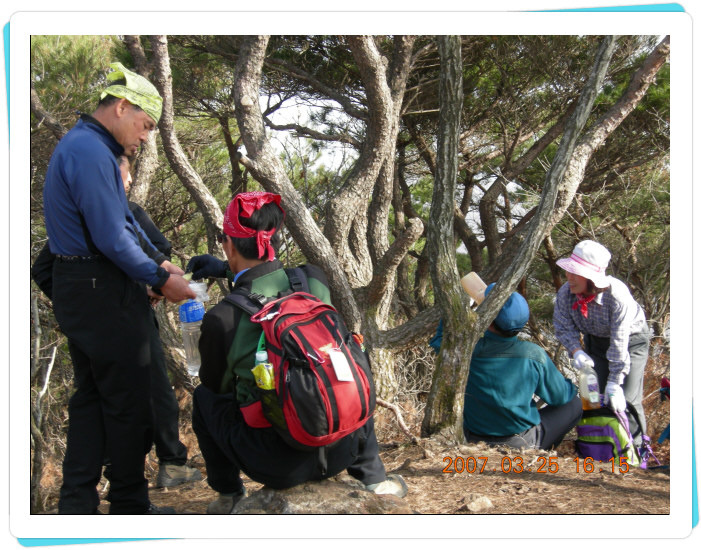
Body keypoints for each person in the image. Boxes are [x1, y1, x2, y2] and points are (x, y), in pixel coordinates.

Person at [186, 191, 408, 513]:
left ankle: (228, 495)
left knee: (204, 398)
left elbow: (216, 385)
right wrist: (225, 268)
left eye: (224, 238)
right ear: (272, 238)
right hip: (342, 449)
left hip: (279, 466)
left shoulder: (222, 319)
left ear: (229, 245)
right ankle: (374, 478)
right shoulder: (313, 279)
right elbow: (269, 277)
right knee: (342, 359)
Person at [42, 62, 195, 514]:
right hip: (101, 291)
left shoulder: (87, 145)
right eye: (145, 125)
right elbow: (110, 237)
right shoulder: (90, 151)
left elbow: (126, 220)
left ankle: (77, 505)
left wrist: (159, 259)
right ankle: (130, 504)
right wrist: (161, 279)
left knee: (91, 399)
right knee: (129, 403)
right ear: (122, 107)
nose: (146, 136)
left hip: (84, 288)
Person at [33, 155, 202, 489]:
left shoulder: (71, 223)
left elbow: (42, 271)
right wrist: (147, 289)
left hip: (88, 326)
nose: (127, 182)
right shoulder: (125, 215)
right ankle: (163, 466)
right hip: (129, 322)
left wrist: (76, 307)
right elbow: (161, 258)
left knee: (94, 396)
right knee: (148, 390)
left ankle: (99, 484)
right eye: (124, 174)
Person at [431, 284, 581, 450]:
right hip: (521, 442)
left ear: (489, 320)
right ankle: (540, 452)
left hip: (474, 437)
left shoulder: (468, 350)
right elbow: (560, 397)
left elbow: (440, 341)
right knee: (574, 404)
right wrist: (570, 385)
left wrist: (458, 308)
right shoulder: (533, 354)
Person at [553, 240, 651, 445]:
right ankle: (605, 446)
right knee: (596, 399)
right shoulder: (566, 293)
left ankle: (637, 450)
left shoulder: (616, 297)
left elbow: (619, 342)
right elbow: (562, 325)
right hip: (596, 341)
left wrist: (616, 382)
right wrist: (576, 350)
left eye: (575, 272)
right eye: (568, 271)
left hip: (631, 343)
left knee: (627, 399)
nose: (569, 277)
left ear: (591, 277)